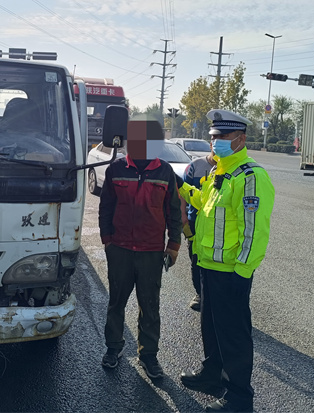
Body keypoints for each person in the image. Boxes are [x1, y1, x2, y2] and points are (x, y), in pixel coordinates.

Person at [179, 109, 275, 412]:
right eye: (212, 137)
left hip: (231, 271)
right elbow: (203, 204)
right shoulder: (217, 173)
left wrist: (243, 272)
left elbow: (254, 231)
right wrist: (179, 186)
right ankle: (212, 375)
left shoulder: (250, 176)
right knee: (211, 327)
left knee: (233, 335)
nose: (215, 142)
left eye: (222, 136)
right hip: (208, 266)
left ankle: (239, 397)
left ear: (240, 139)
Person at [99, 119, 182, 380]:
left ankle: (148, 356)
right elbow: (105, 207)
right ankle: (113, 348)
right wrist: (107, 240)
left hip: (151, 252)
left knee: (150, 305)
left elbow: (174, 211)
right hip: (120, 249)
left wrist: (174, 245)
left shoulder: (165, 171)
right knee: (116, 302)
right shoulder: (116, 169)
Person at [182, 146, 217, 312]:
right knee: (195, 259)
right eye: (215, 140)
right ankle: (200, 294)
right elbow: (183, 192)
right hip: (194, 223)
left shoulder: (231, 168)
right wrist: (183, 217)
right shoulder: (195, 166)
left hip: (217, 225)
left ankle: (213, 296)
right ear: (211, 145)